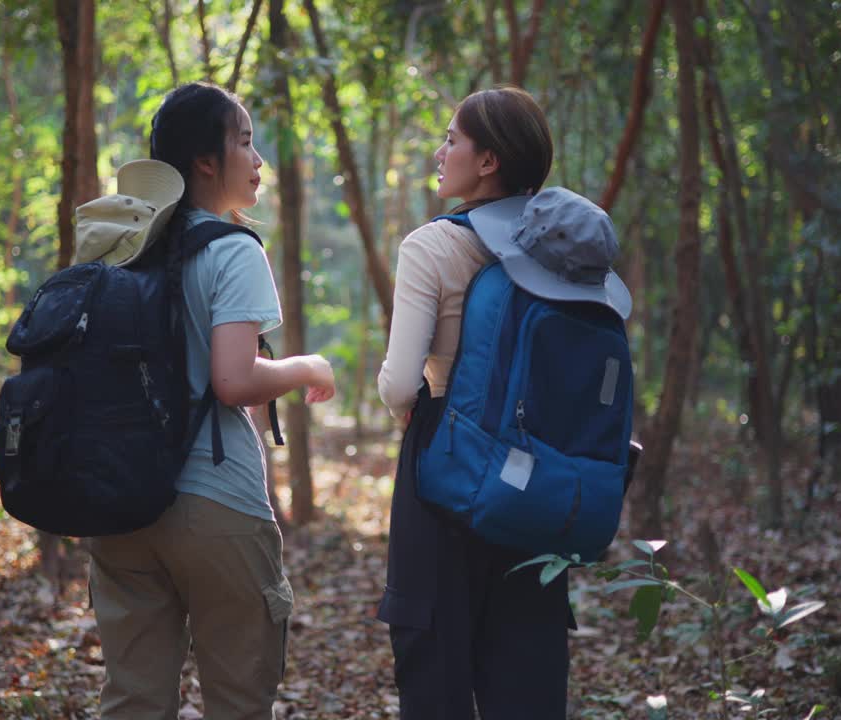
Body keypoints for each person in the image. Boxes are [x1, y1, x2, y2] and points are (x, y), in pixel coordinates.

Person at [86, 81, 336, 720]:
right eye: (246, 143)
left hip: (119, 502)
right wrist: (305, 365)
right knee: (238, 700)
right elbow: (233, 380)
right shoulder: (232, 249)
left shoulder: (124, 250)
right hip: (215, 504)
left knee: (133, 701)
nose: (258, 162)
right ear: (205, 161)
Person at [376, 86, 574, 719]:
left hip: (446, 463)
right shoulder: (563, 244)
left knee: (435, 658)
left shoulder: (432, 246)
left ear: (488, 160)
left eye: (453, 139)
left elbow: (401, 384)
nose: (441, 151)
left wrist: (409, 410)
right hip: (538, 472)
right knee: (526, 667)